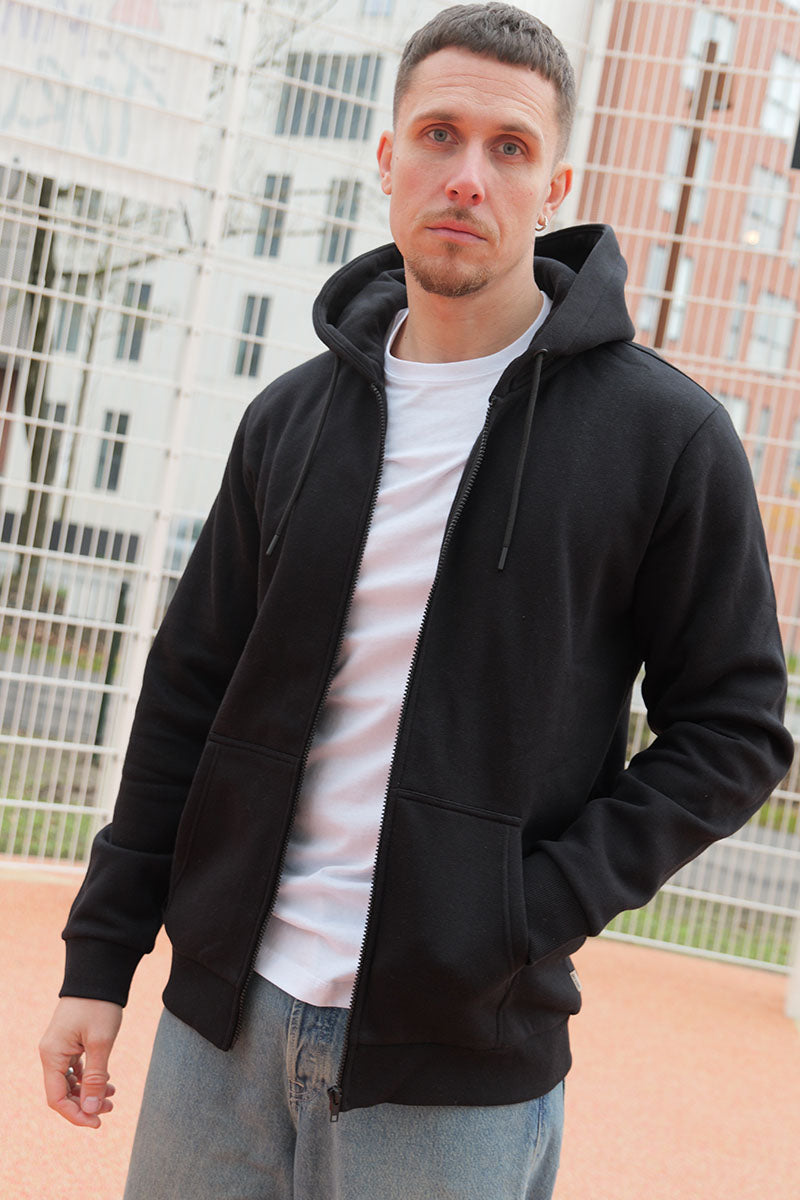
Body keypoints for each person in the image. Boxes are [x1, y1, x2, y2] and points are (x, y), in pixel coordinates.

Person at [39, 4, 793, 1197]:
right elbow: (186, 692)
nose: (466, 176)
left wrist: (523, 913)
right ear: (387, 157)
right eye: (438, 134)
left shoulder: (664, 437)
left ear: (553, 186)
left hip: (454, 1058)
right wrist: (101, 956)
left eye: (509, 147)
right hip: (220, 1022)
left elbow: (734, 727)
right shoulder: (290, 419)